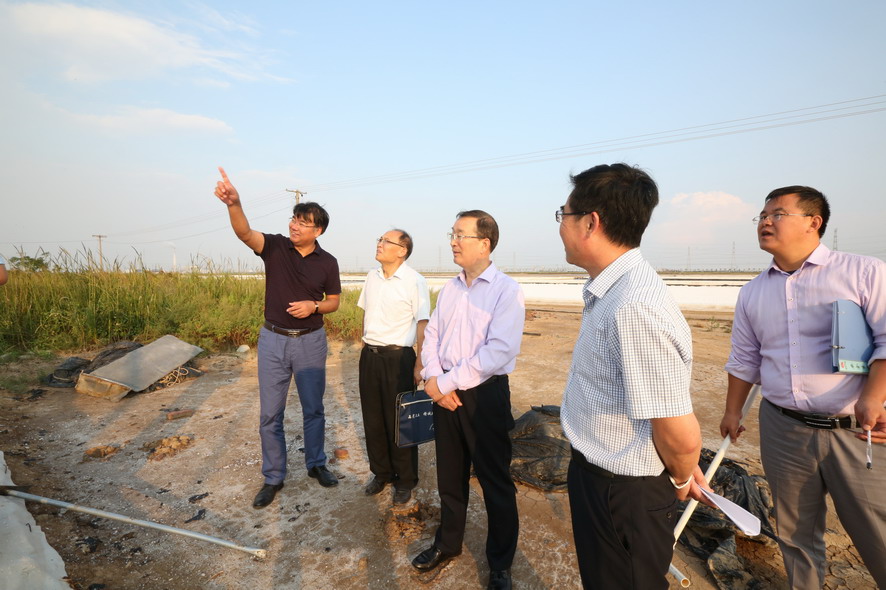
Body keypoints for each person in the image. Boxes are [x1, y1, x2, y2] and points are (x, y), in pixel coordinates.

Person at [720, 185, 886, 589]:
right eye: (762, 215)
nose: (765, 221)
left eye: (777, 214)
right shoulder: (753, 292)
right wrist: (732, 411)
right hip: (784, 429)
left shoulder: (863, 272)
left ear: (814, 222)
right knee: (795, 534)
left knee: (877, 531)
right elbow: (745, 358)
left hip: (855, 430)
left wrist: (873, 397)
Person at [557, 163, 710, 590]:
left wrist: (682, 475)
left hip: (623, 491)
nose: (560, 226)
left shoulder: (634, 306)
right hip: (600, 475)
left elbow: (678, 430)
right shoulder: (613, 290)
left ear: (590, 223)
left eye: (563, 215)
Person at [214, 167, 342, 509]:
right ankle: (273, 477)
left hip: (311, 341)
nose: (294, 226)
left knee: (314, 409)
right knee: (270, 414)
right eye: (293, 219)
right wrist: (234, 204)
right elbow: (244, 232)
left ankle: (316, 464)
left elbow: (334, 301)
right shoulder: (274, 247)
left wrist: (314, 306)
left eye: (303, 222)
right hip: (273, 340)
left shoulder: (328, 262)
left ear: (318, 230)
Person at [411, 210, 524, 590]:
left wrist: (443, 383)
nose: (453, 242)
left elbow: (498, 351)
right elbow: (432, 336)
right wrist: (434, 378)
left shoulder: (506, 290)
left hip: (484, 396)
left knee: (495, 482)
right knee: (450, 474)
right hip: (444, 391)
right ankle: (448, 543)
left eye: (461, 235)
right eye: (453, 234)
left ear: (484, 243)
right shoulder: (450, 289)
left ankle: (500, 564)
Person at [357, 229, 430, 505]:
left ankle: (406, 480)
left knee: (401, 422)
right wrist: (365, 345)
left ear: (402, 250)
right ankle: (382, 473)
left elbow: (422, 323)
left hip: (399, 359)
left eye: (386, 241)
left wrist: (420, 363)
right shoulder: (371, 277)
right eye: (379, 239)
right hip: (370, 356)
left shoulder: (414, 281)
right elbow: (366, 314)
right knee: (373, 419)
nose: (379, 244)